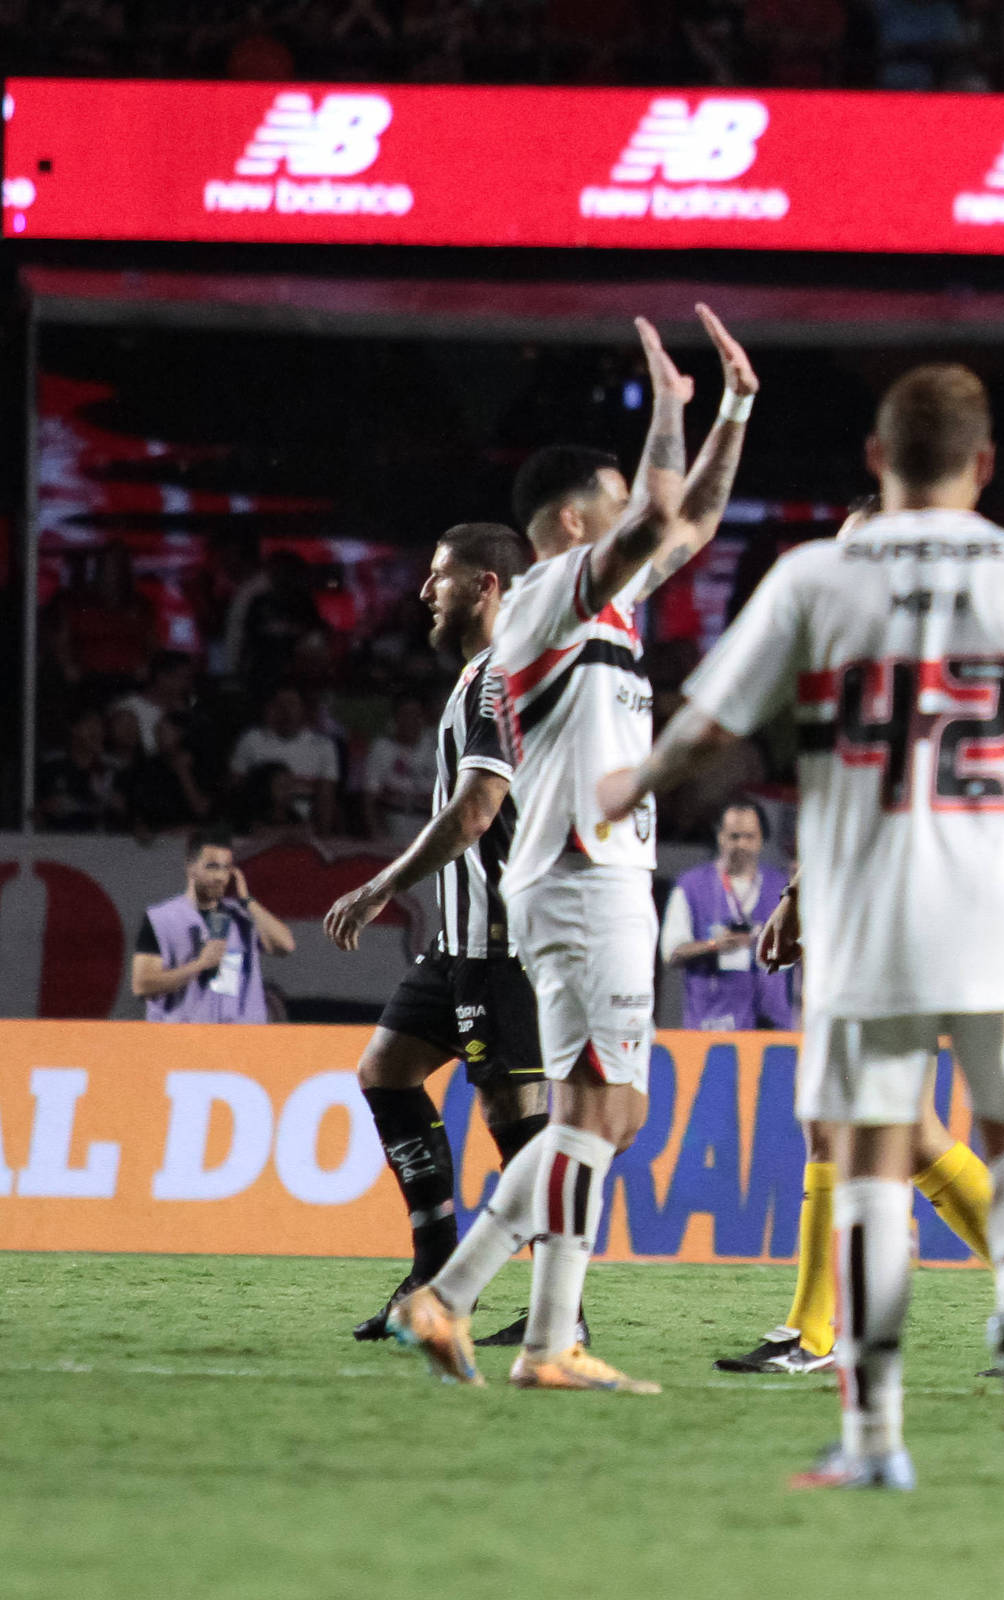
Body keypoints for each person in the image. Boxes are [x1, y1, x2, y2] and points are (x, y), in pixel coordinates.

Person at [603, 362, 1004, 1490]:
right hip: (1003, 896)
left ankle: (873, 1431)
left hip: (873, 906)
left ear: (874, 459)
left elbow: (706, 733)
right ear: (985, 465)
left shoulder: (818, 577)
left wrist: (624, 786)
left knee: (861, 1157)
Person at [385, 304, 757, 1395]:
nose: (638, 509)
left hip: (589, 878)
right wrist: (669, 414)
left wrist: (729, 409)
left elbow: (687, 522)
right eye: (614, 498)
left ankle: (546, 1340)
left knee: (608, 1115)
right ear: (569, 516)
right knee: (596, 1113)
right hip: (585, 877)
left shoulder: (602, 601)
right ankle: (448, 1298)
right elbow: (655, 517)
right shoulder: (551, 590)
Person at [713, 871, 1004, 1379]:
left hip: (893, 910)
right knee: (912, 1133)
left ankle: (812, 1333)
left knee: (837, 1123)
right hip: (925, 907)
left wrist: (795, 898)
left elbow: (862, 803)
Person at [323, 524, 559, 1346]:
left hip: (504, 945)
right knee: (385, 1071)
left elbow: (475, 813)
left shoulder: (505, 677)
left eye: (440, 577)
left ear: (487, 584)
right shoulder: (473, 676)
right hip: (458, 943)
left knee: (516, 1123)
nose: (426, 590)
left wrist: (384, 883)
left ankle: (560, 1313)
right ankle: (430, 1273)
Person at [131, 829, 297, 1022]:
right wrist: (199, 966)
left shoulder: (243, 917)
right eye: (212, 867)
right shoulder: (162, 918)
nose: (220, 876)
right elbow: (142, 984)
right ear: (190, 867)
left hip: (239, 1041)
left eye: (226, 868)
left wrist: (247, 901)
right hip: (182, 1040)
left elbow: (286, 945)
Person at [660, 801, 793, 1032]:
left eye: (749, 837)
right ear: (720, 837)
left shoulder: (781, 888)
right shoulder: (691, 886)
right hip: (711, 1021)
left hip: (772, 1024)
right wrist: (714, 945)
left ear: (761, 840)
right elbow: (671, 952)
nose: (741, 844)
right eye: (734, 836)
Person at [230, 686, 342, 832]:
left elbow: (326, 799)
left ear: (303, 709)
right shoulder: (252, 740)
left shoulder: (323, 746)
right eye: (280, 705)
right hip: (258, 829)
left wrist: (321, 835)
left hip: (304, 830)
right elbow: (236, 790)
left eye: (292, 704)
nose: (286, 711)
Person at [360, 692, 441, 842]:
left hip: (426, 837)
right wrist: (375, 833)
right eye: (405, 714)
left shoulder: (436, 750)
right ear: (395, 718)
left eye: (416, 715)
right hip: (389, 835)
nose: (410, 720)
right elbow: (369, 798)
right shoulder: (381, 748)